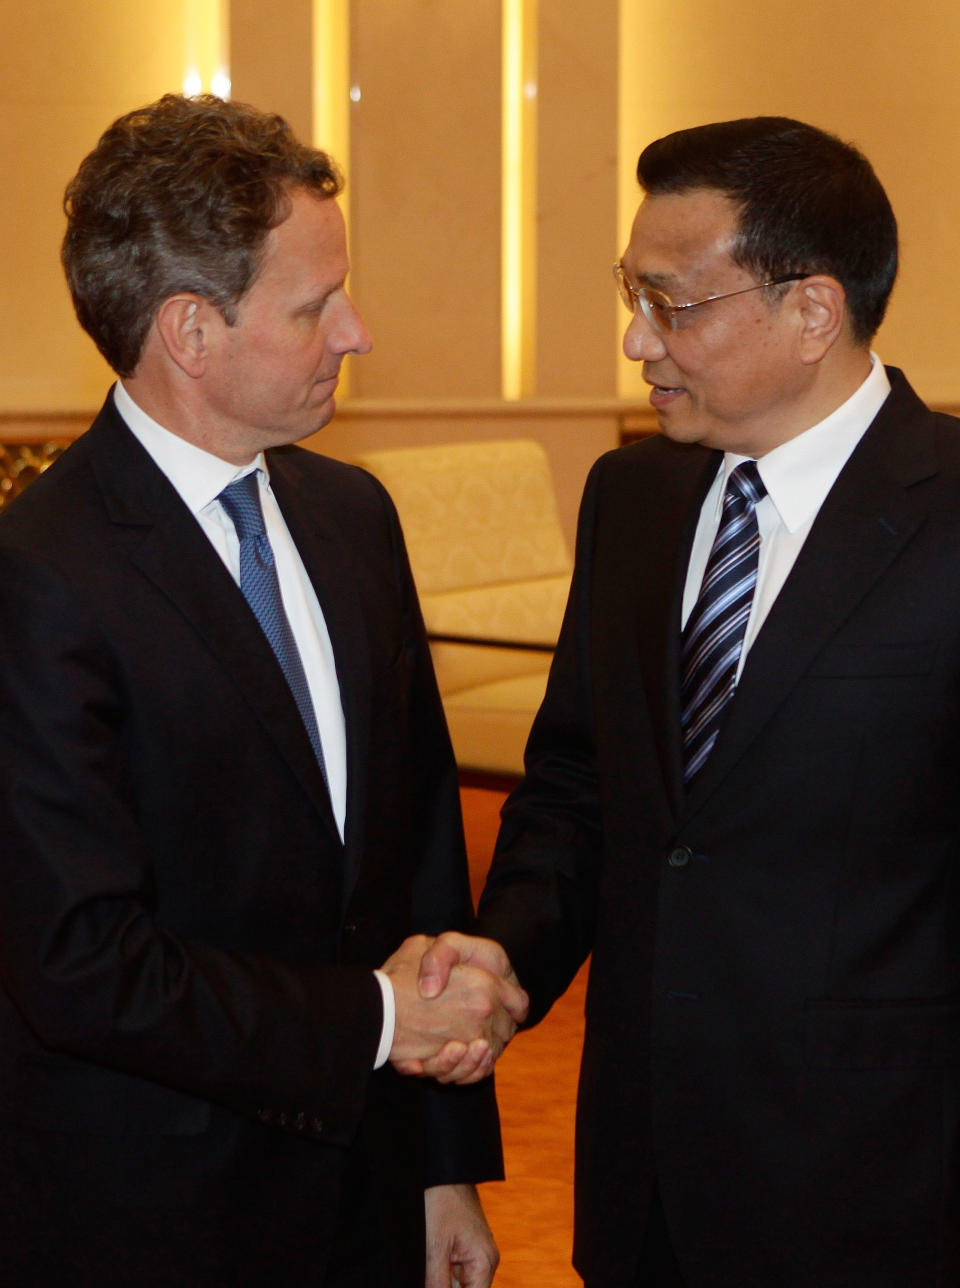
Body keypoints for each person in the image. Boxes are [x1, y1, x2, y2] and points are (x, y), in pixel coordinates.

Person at [418, 116, 960, 1286]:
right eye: (633, 295)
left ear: (812, 311)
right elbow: (578, 789)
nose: (635, 339)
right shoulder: (636, 498)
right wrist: (501, 962)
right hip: (642, 1170)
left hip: (884, 1189)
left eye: (674, 305)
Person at [0, 93, 526, 1288]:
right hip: (155, 1215)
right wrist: (383, 1025)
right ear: (190, 330)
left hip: (373, 1194)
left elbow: (421, 857)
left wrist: (447, 1166)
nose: (358, 332)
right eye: (314, 305)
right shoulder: (41, 576)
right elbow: (83, 963)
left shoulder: (353, 518)